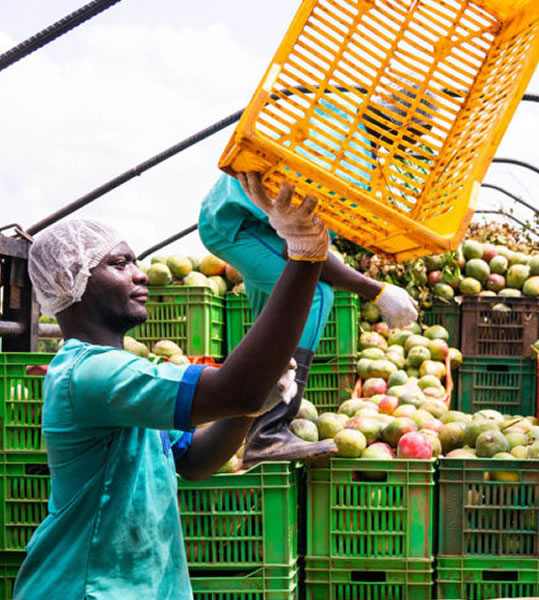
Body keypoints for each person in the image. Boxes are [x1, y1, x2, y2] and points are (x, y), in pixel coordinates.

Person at [15, 174, 329, 597]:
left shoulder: (120, 374)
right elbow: (238, 389)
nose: (140, 275)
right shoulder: (91, 373)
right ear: (75, 279)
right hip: (87, 587)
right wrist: (304, 256)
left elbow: (195, 461)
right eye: (120, 263)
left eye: (137, 262)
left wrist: (248, 411)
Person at [199, 169, 419, 468]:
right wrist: (377, 291)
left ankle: (253, 422)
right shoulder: (338, 146)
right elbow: (304, 250)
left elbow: (310, 241)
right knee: (314, 292)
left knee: (274, 314)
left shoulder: (363, 153)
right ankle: (269, 432)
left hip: (256, 225)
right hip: (240, 222)